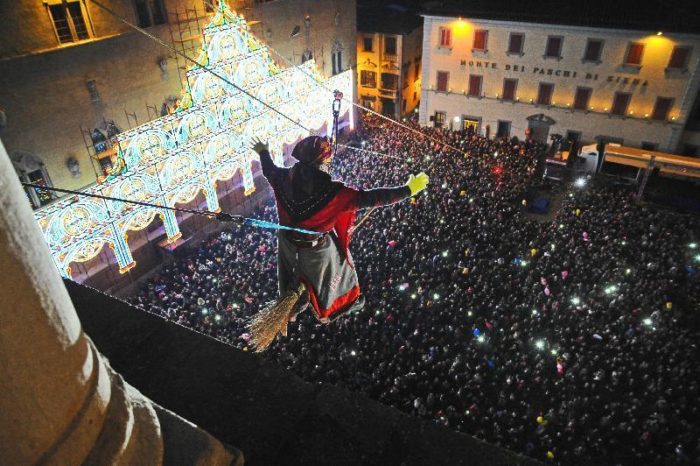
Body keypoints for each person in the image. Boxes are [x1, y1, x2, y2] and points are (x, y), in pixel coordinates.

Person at [248, 135, 429, 350]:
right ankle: (347, 301)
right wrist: (408, 190)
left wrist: (263, 152)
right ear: (322, 163)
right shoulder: (336, 194)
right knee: (341, 268)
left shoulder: (282, 179)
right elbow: (375, 197)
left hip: (287, 244)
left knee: (289, 277)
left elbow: (269, 169)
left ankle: (294, 303)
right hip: (316, 251)